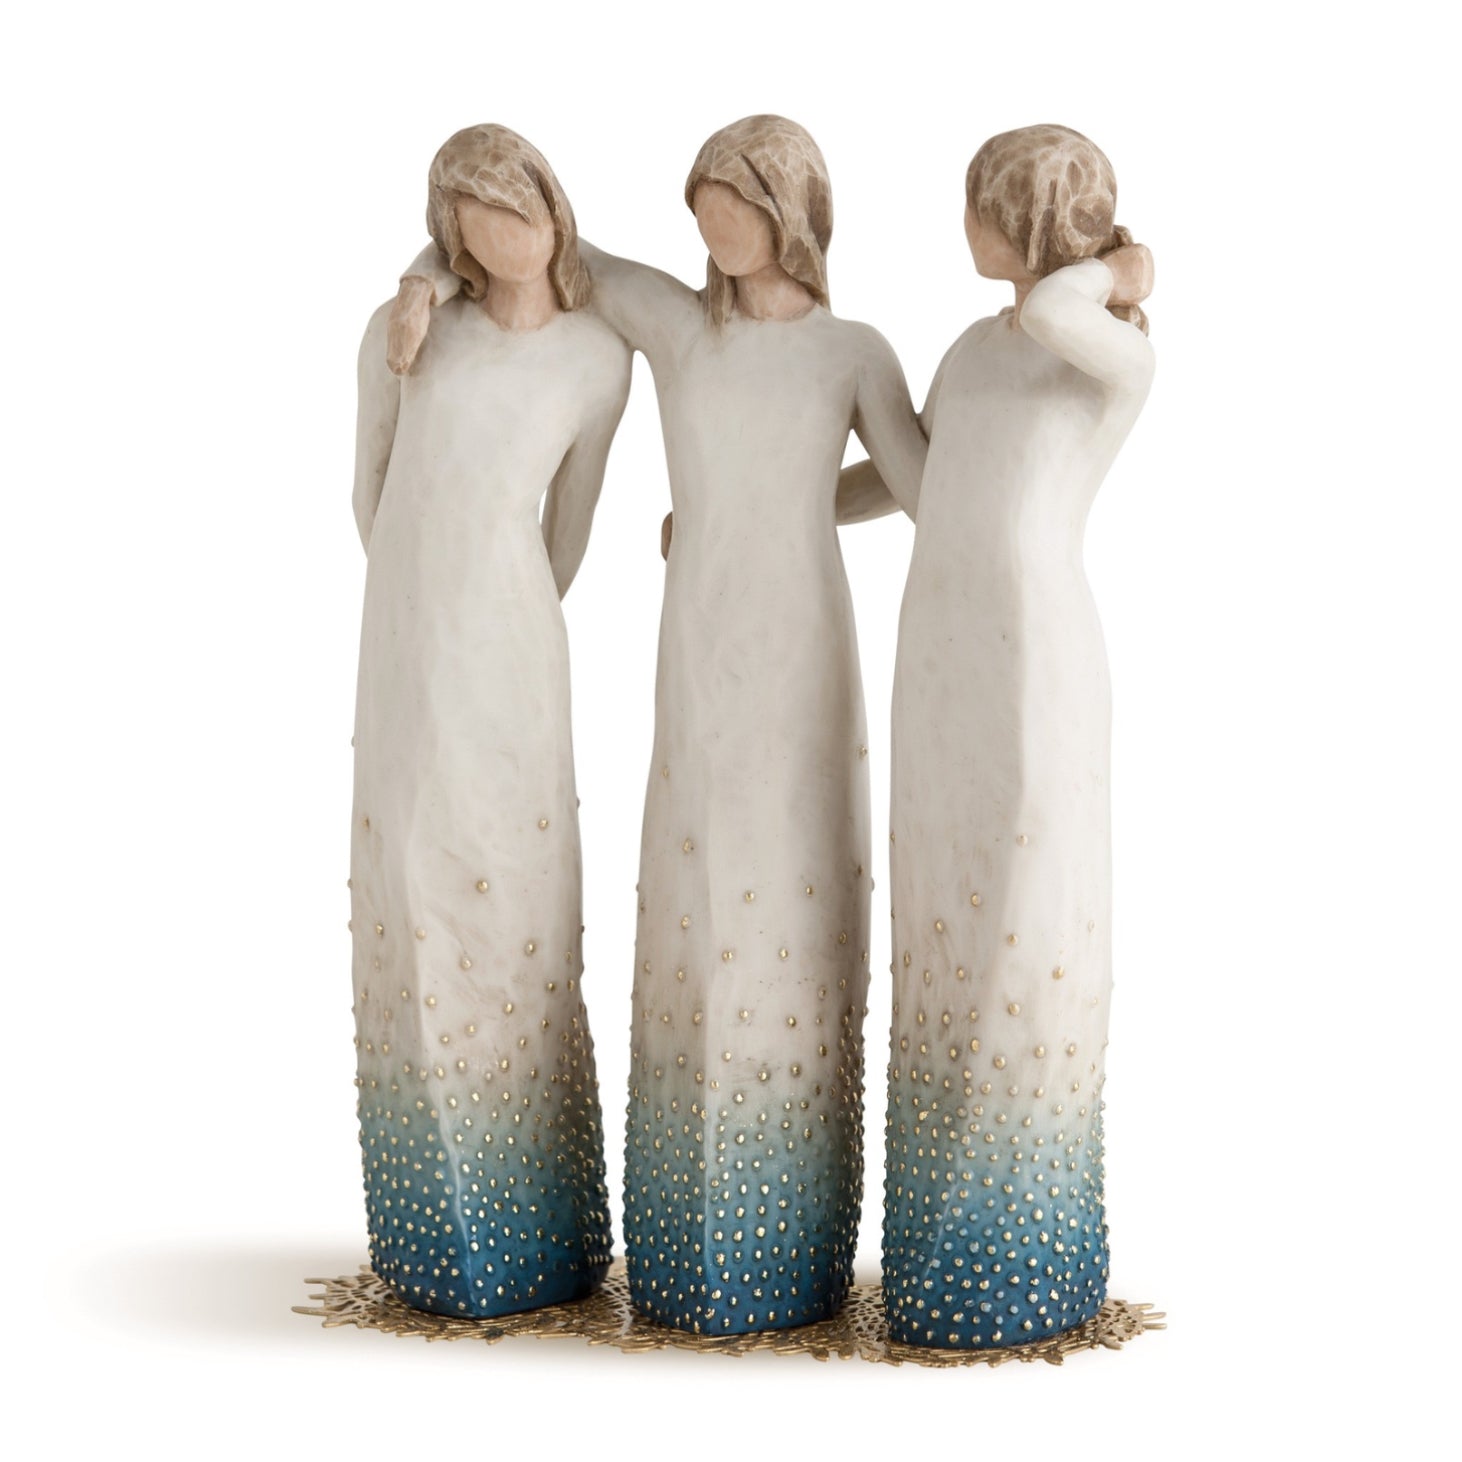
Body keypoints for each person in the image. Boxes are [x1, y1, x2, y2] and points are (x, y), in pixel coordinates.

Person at [393, 114, 927, 1334]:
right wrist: (421, 279)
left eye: (732, 205)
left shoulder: (852, 351)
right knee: (696, 887)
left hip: (803, 641)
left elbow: (915, 482)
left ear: (791, 211)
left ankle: (787, 1246)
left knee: (792, 882)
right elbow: (542, 243)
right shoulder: (678, 331)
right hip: (698, 649)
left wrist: (800, 503)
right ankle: (689, 1250)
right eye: (700, 208)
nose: (711, 228)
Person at [872, 124, 1155, 1347]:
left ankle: (1018, 1264)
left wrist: (1117, 267)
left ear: (1032, 218)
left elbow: (1051, 314)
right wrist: (764, 498)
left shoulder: (1106, 350)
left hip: (1035, 655)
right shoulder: (968, 348)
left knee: (1022, 923)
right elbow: (915, 481)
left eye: (982, 204)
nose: (963, 226)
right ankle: (932, 1257)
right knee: (943, 907)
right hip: (936, 647)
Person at [350, 124, 630, 1319]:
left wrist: (501, 609)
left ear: (553, 212)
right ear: (451, 232)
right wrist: (423, 598)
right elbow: (369, 489)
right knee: (415, 878)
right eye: (475, 217)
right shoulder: (406, 331)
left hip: (515, 639)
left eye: (519, 208)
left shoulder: (598, 357)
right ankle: (435, 1224)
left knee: (515, 887)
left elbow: (569, 528)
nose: (506, 234)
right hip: (408, 632)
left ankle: (542, 1223)